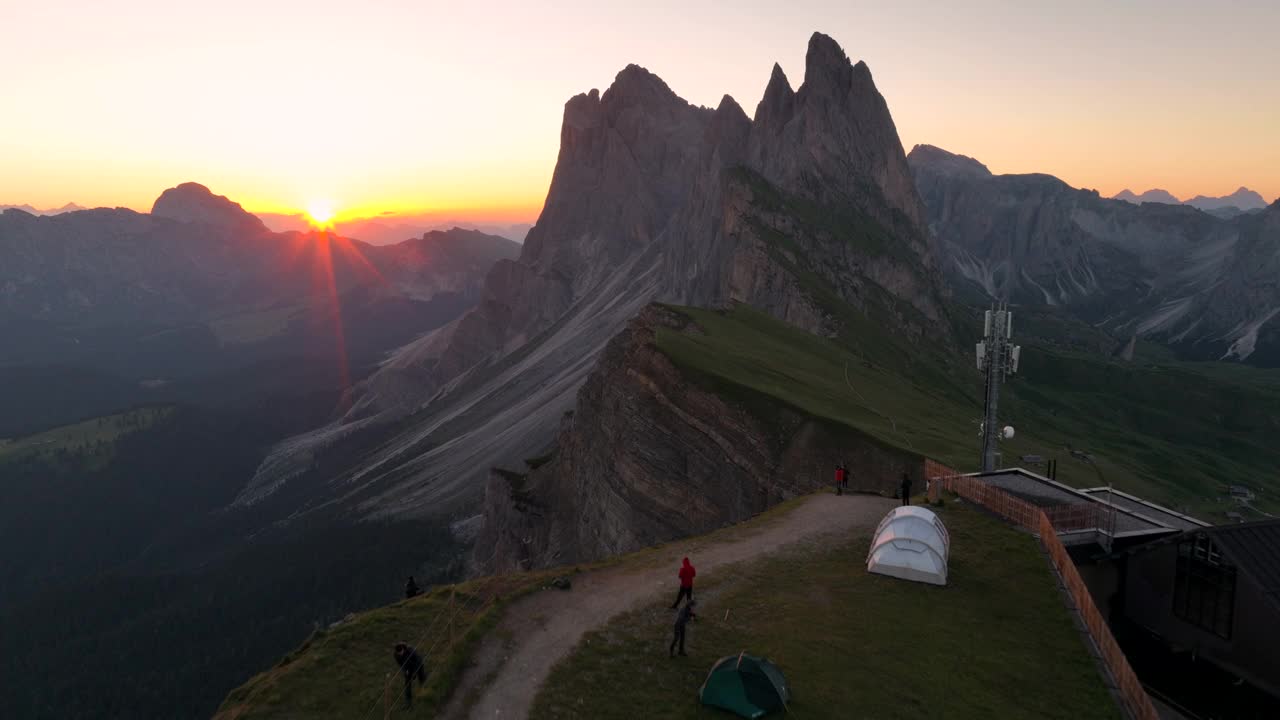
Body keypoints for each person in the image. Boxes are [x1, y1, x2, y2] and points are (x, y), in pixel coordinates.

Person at [393, 642, 427, 708]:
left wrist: (414, 673)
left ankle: (424, 691)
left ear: (403, 648)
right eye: (399, 653)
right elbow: (401, 665)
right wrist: (405, 671)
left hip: (418, 665)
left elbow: (417, 661)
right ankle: (408, 703)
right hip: (408, 668)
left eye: (401, 652)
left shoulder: (410, 651)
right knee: (407, 684)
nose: (400, 654)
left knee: (421, 679)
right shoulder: (396, 655)